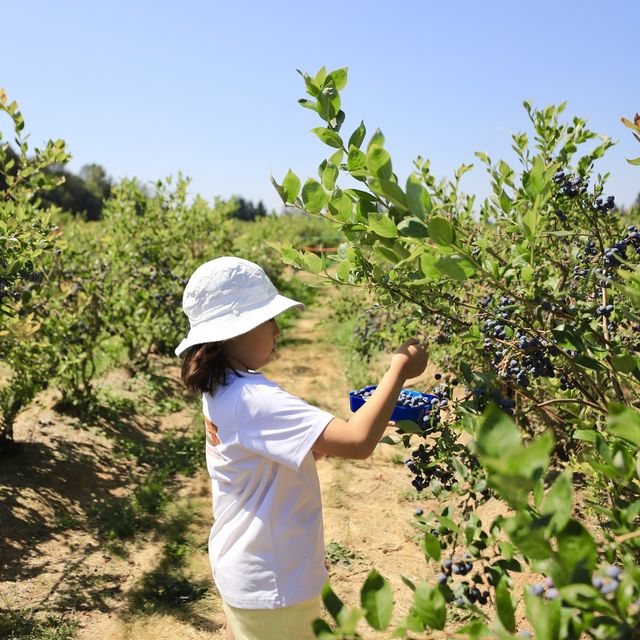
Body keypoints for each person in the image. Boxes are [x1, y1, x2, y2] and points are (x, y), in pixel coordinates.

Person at [175, 256, 428, 640]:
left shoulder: (222, 386)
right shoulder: (254, 398)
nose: (278, 330)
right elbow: (358, 444)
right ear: (233, 332)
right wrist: (398, 369)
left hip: (242, 567)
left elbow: (264, 455)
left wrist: (326, 438)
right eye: (267, 320)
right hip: (274, 584)